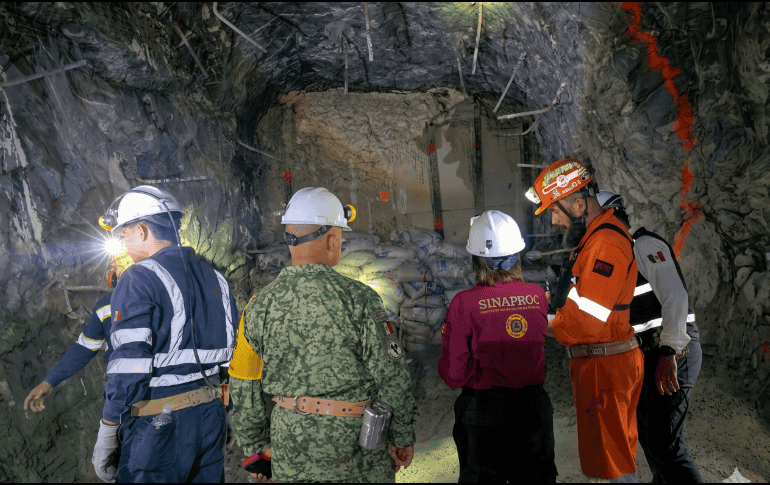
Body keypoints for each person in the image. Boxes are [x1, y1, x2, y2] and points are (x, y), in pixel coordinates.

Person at [229, 186, 417, 483]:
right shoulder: (361, 299)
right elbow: (391, 375)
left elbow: (243, 385)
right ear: (332, 239)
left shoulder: (257, 307)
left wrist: (256, 449)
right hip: (357, 448)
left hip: (290, 448)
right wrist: (402, 435)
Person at [91, 185, 238, 483]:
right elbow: (228, 359)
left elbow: (128, 369)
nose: (124, 243)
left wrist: (108, 429)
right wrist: (222, 413)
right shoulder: (217, 279)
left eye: (125, 234)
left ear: (142, 230)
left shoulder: (138, 277)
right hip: (211, 417)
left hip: (160, 424)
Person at [526, 159, 643, 483]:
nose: (555, 220)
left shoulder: (604, 244)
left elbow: (584, 324)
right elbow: (584, 305)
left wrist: (534, 323)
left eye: (555, 211)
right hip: (603, 365)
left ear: (578, 204)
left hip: (605, 369)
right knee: (611, 462)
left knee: (613, 469)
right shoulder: (596, 240)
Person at [438, 210, 558, 483]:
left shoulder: (464, 303)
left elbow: (454, 375)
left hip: (485, 414)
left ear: (476, 259)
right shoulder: (537, 296)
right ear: (517, 254)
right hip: (533, 410)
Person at [597, 191, 704, 482]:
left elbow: (675, 299)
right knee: (649, 437)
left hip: (672, 350)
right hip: (649, 354)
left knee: (664, 444)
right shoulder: (619, 256)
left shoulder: (644, 246)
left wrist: (669, 352)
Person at [24, 252, 133, 414]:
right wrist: (49, 382)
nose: (113, 262)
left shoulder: (161, 298)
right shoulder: (105, 307)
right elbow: (84, 348)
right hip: (122, 397)